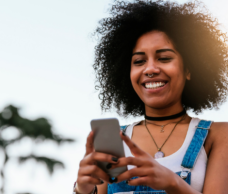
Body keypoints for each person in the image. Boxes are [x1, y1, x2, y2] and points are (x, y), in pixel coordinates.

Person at [73, 0, 228, 193]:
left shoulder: (219, 135)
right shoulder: (113, 140)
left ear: (189, 69)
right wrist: (82, 189)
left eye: (164, 58)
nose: (150, 69)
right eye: (139, 61)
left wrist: (174, 184)